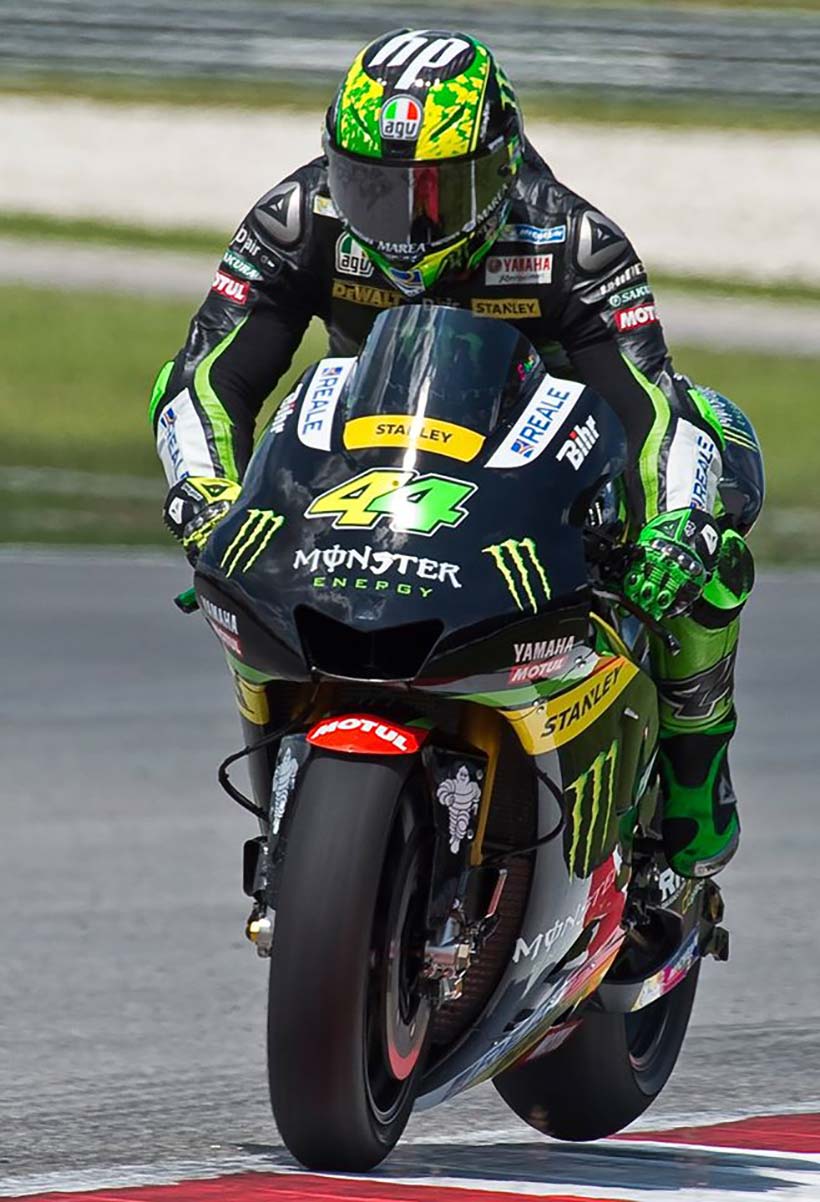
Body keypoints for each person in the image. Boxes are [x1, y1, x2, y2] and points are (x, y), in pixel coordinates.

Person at [150, 29, 762, 880]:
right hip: (364, 466)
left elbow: (653, 406)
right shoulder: (296, 221)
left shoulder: (571, 242)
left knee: (716, 485)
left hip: (546, 475)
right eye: (370, 187)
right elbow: (205, 377)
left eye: (440, 190)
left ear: (503, 167)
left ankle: (695, 770)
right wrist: (205, 493)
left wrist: (676, 525)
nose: (406, 221)